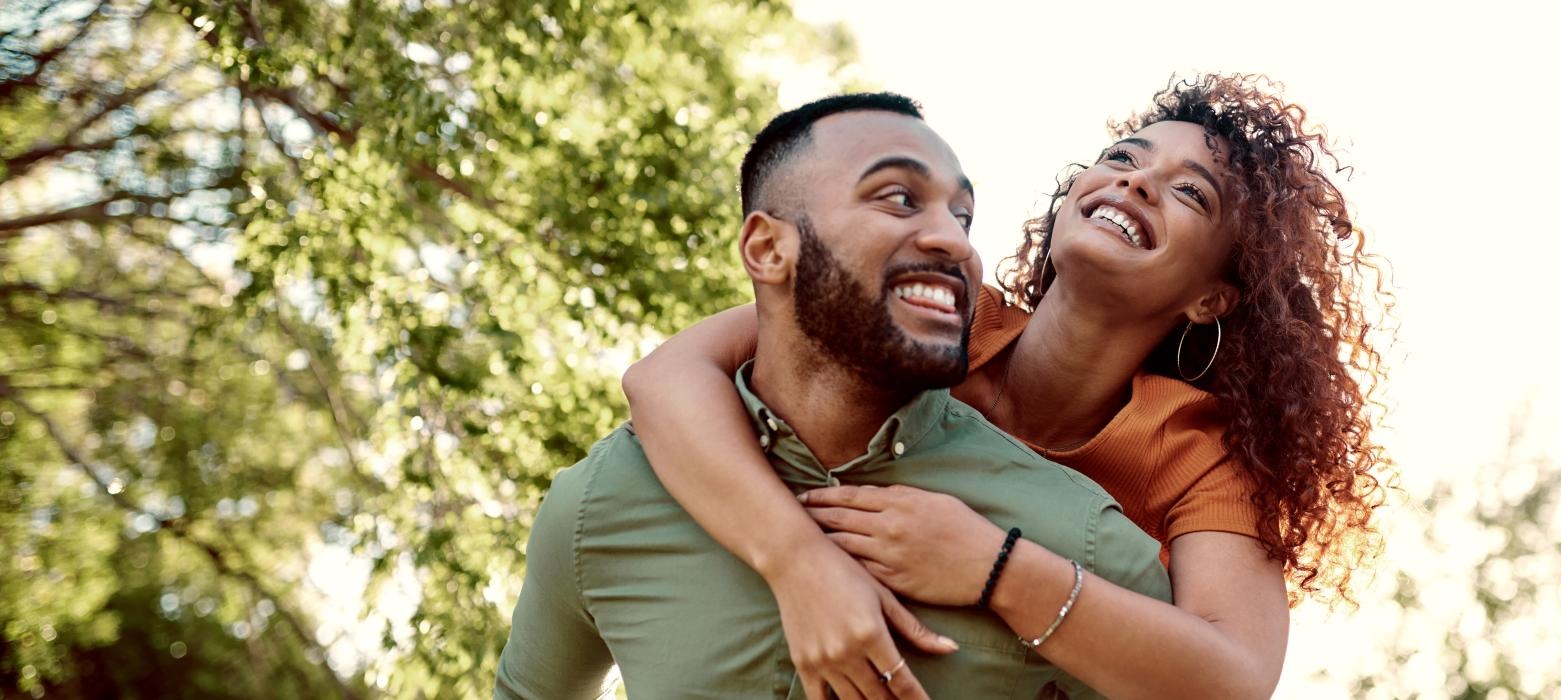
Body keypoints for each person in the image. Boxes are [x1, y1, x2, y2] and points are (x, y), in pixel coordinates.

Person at [622, 73, 1392, 699]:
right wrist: (798, 565)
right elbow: (665, 377)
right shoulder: (939, 314)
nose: (1136, 182)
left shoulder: (1196, 451)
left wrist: (994, 566)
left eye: (1191, 193)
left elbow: (1235, 678)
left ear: (1211, 298)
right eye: (1123, 157)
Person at [495, 93, 1176, 700]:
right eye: (899, 198)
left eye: (963, 217)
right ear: (768, 250)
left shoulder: (1087, 546)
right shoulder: (603, 502)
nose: (954, 241)